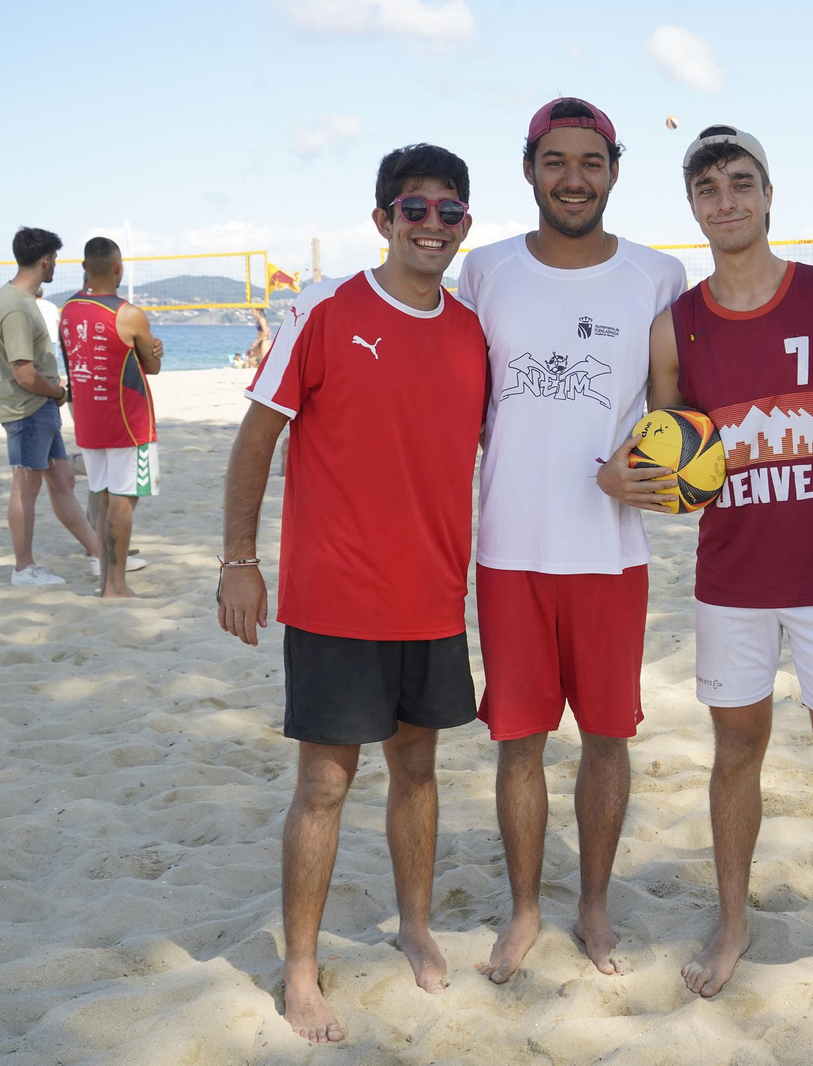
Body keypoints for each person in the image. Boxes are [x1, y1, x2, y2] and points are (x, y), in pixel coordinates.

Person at [598, 125, 813, 1003]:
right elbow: (663, 453)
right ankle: (733, 923)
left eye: (740, 184)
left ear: (768, 194)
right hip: (732, 580)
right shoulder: (673, 328)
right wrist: (618, 474)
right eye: (709, 190)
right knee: (736, 751)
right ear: (694, 208)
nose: (726, 201)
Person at [216, 144, 489, 1044]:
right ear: (382, 220)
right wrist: (239, 561)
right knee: (326, 785)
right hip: (336, 599)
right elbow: (258, 437)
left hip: (434, 598)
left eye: (452, 212)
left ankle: (414, 925)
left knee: (417, 769)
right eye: (417, 209)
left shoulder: (470, 331)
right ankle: (300, 968)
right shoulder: (325, 315)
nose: (434, 227)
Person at [456, 98, 687, 984]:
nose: (573, 178)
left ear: (616, 170)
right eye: (556, 162)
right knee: (518, 739)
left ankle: (592, 904)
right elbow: (455, 400)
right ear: (529, 170)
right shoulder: (484, 272)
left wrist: (636, 463)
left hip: (610, 552)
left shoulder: (656, 277)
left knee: (605, 738)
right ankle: (523, 909)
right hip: (509, 549)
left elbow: (673, 412)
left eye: (590, 162)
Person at [0, 227, 101, 586]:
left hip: (39, 407)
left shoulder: (15, 299)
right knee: (25, 486)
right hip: (28, 408)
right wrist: (56, 391)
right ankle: (24, 568)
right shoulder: (16, 306)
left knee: (62, 479)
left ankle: (101, 555)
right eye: (55, 260)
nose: (55, 268)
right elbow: (23, 374)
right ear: (45, 260)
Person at [59, 237, 162, 597]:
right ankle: (116, 586)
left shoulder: (69, 309)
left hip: (88, 418)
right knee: (123, 499)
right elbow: (153, 366)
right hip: (127, 422)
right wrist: (153, 350)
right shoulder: (129, 314)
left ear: (85, 268)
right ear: (118, 268)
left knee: (101, 497)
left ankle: (107, 582)